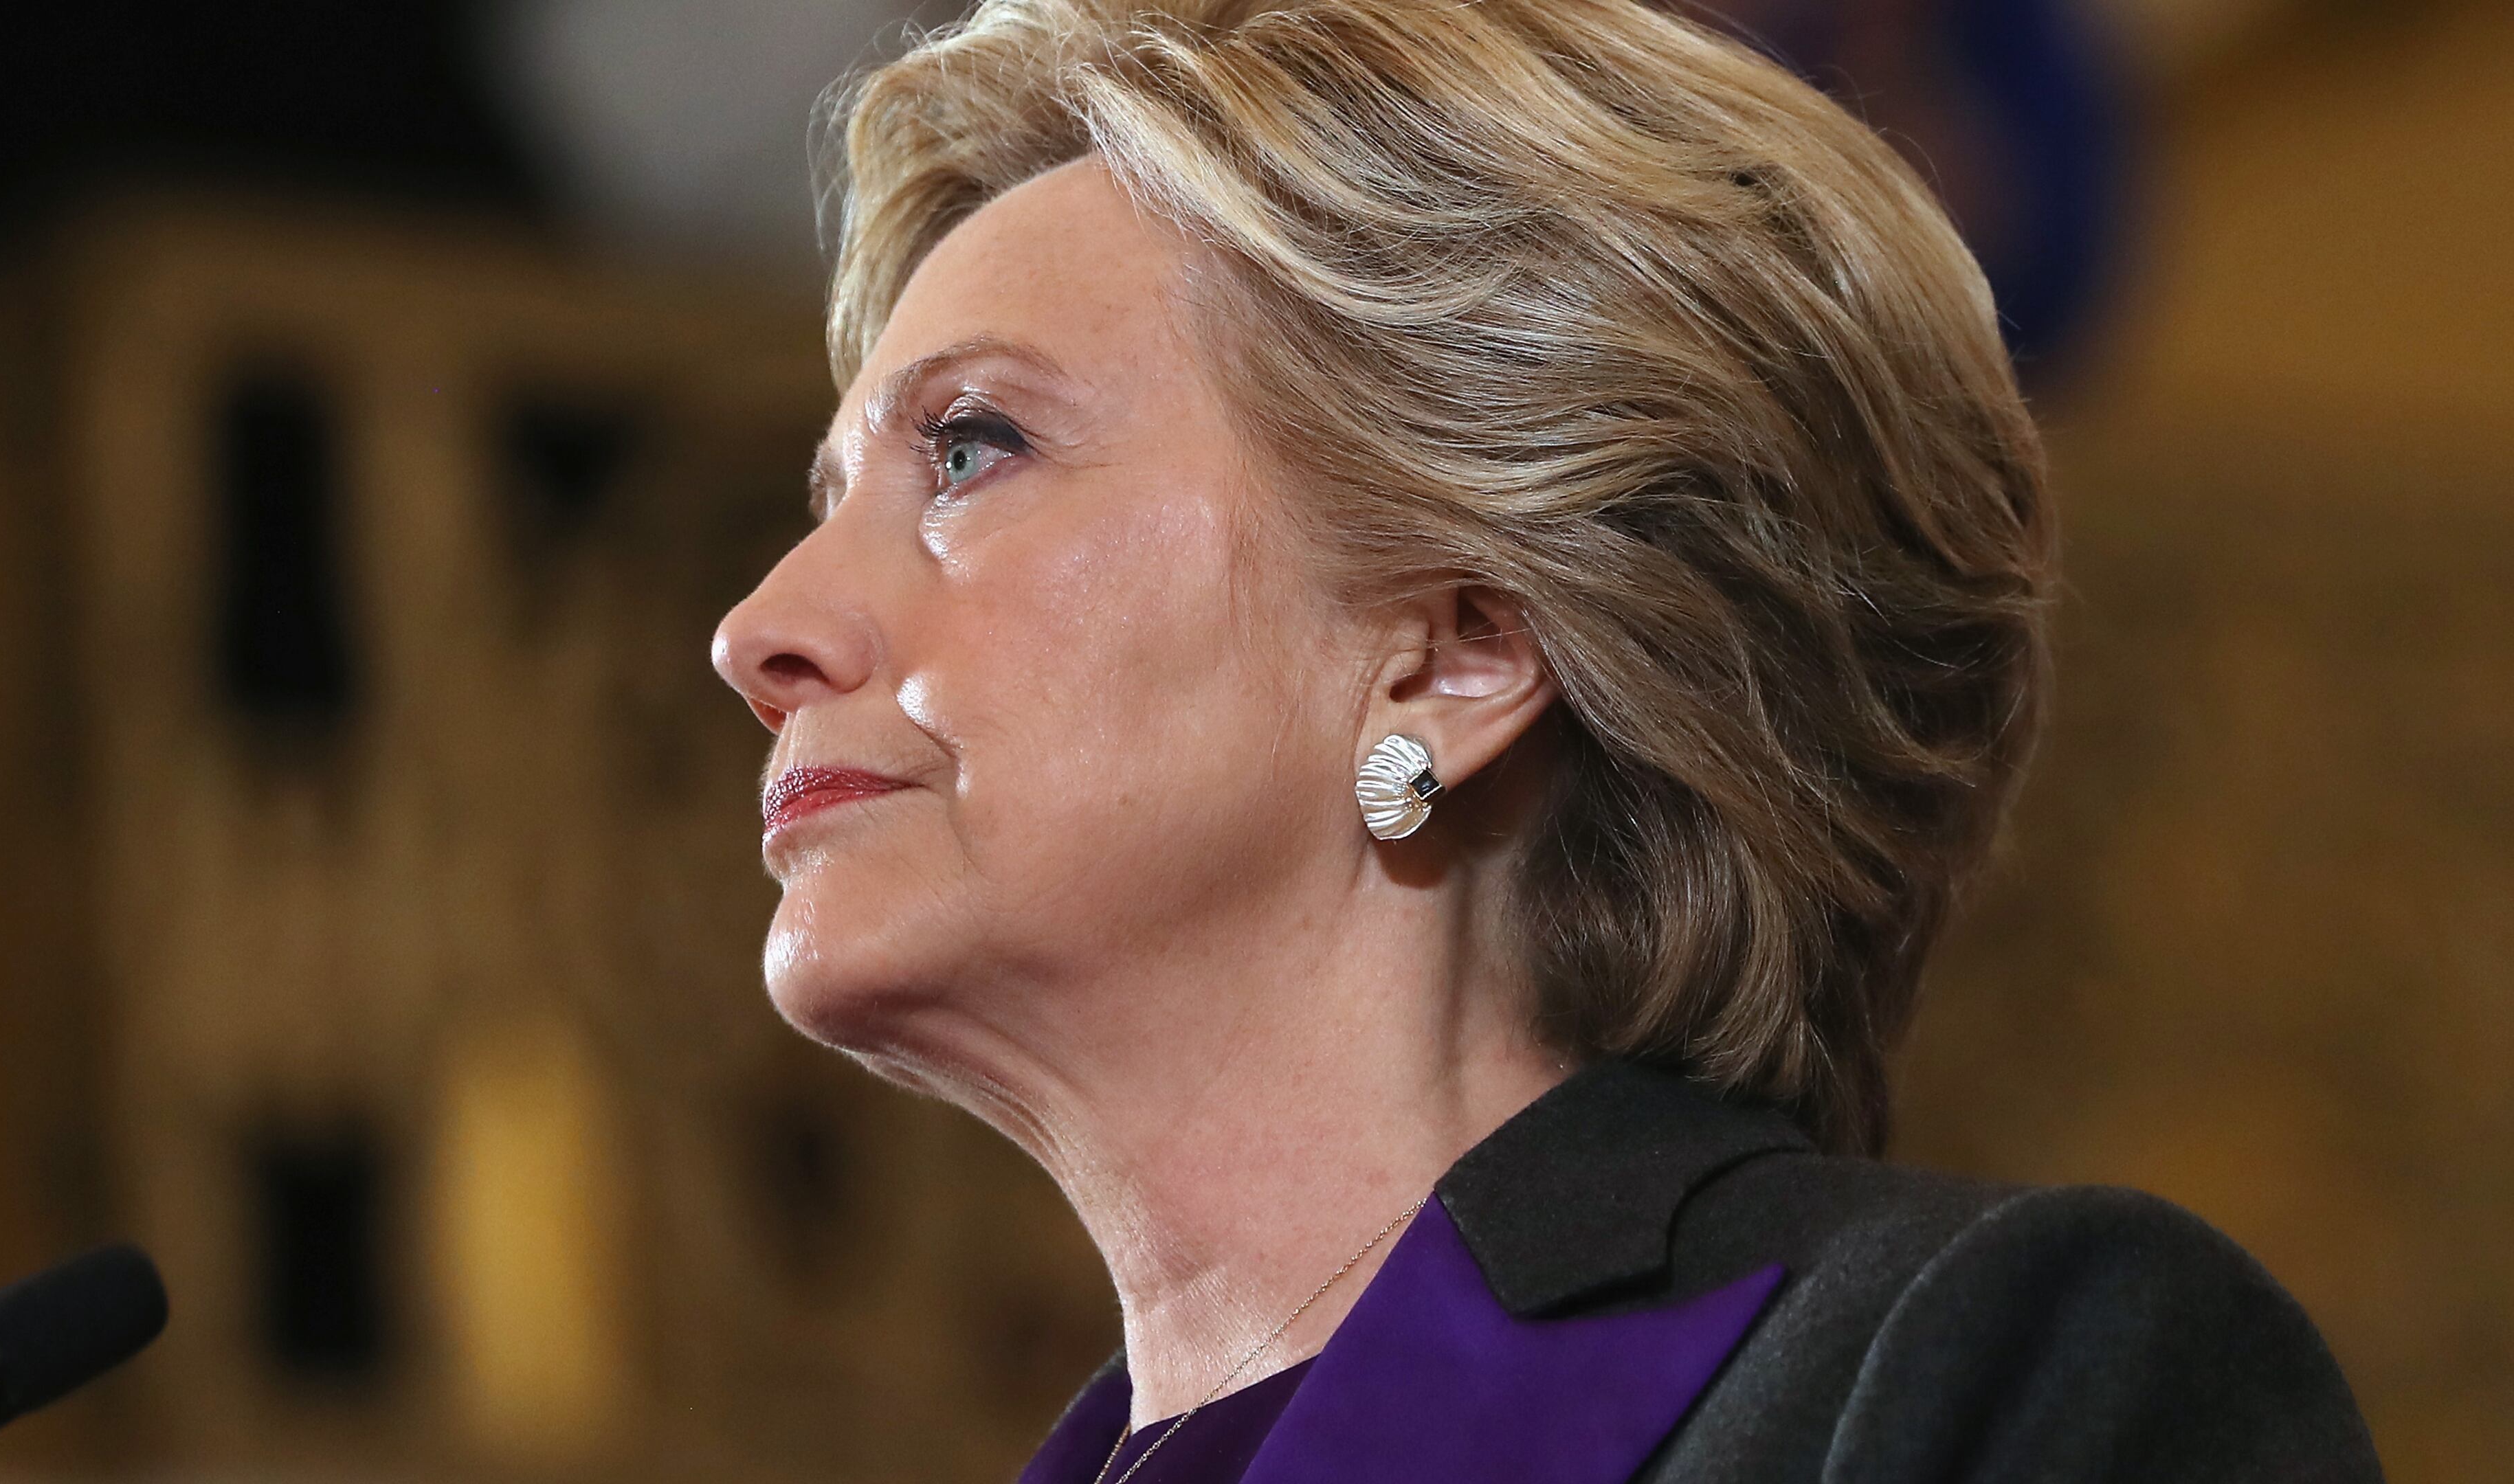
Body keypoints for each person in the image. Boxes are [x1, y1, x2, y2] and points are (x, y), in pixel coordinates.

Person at [711, 1, 2383, 1479]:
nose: (760, 629)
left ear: (1459, 655)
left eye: (972, 448)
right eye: (827, 500)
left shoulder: (1998, 1379)